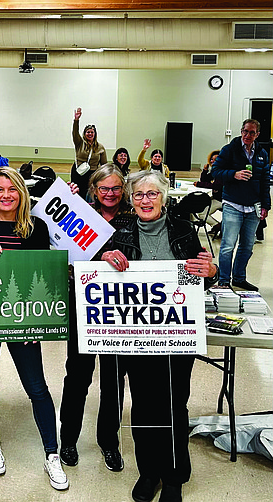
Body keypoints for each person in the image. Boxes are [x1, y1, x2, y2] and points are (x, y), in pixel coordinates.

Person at [100, 170, 218, 502]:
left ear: (163, 198)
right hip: (135, 337)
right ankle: (149, 472)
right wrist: (105, 257)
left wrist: (212, 271)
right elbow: (98, 270)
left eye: (152, 194)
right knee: (143, 406)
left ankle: (175, 476)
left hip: (177, 337)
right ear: (131, 199)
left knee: (172, 405)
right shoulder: (120, 231)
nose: (145, 201)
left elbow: (202, 275)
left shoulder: (182, 230)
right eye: (138, 195)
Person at [0, 167, 69, 491]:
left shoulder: (37, 228)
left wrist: (39, 322)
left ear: (21, 192)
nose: (5, 195)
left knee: (37, 387)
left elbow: (43, 276)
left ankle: (52, 453)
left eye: (11, 189)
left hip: (23, 319)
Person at [59, 164, 136, 472]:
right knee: (77, 376)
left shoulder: (133, 219)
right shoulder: (80, 215)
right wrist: (68, 202)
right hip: (83, 308)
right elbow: (56, 248)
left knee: (114, 381)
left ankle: (109, 442)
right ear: (94, 189)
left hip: (121, 313)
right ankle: (68, 438)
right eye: (103, 188)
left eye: (116, 188)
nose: (110, 194)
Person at [211, 119, 270, 291]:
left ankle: (239, 278)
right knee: (228, 245)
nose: (247, 135)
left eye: (252, 133)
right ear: (241, 131)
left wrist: (266, 205)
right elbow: (215, 172)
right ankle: (223, 280)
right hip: (232, 204)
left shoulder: (262, 153)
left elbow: (265, 180)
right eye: (245, 131)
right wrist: (233, 174)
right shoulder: (230, 149)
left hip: (254, 207)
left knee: (247, 246)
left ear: (257, 134)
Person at [71, 107, 108, 199]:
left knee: (90, 195)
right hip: (78, 172)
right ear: (84, 134)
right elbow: (75, 133)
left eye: (92, 132)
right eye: (88, 132)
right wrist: (76, 120)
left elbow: (104, 164)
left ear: (95, 134)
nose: (90, 134)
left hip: (92, 174)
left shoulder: (100, 147)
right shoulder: (79, 143)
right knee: (77, 193)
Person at [193, 150, 223, 230]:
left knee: (202, 214)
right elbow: (204, 180)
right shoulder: (215, 171)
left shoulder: (222, 172)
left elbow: (216, 186)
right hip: (215, 197)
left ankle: (218, 226)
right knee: (198, 205)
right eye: (211, 159)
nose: (212, 161)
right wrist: (205, 171)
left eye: (215, 159)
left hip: (222, 199)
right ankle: (217, 226)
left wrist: (199, 184)